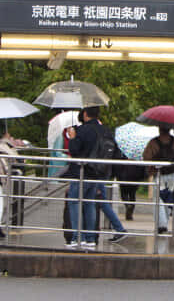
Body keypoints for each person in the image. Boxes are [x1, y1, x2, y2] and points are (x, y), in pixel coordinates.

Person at [65, 106, 103, 248]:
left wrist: (73, 137)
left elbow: (74, 150)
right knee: (89, 204)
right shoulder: (103, 130)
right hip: (96, 173)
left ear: (85, 114)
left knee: (74, 203)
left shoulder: (82, 130)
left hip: (80, 172)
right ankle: (90, 238)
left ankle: (77, 237)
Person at [142, 126, 174, 234]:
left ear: (159, 129)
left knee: (158, 199)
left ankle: (161, 225)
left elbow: (146, 157)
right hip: (173, 174)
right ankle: (164, 223)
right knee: (168, 198)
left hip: (159, 174)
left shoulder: (154, 142)